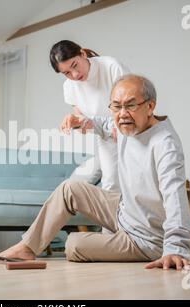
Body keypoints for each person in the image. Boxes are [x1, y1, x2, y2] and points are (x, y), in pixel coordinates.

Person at [0, 74, 190, 270]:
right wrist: (82, 122)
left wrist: (175, 249)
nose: (122, 113)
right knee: (70, 189)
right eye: (116, 106)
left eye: (130, 105)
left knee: (73, 245)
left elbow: (176, 199)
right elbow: (105, 123)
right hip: (124, 211)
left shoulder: (165, 144)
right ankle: (27, 247)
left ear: (150, 106)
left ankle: (153, 247)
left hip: (147, 239)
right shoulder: (127, 123)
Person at [51, 40, 128, 193]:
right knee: (111, 185)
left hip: (131, 130)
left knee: (138, 181)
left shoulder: (112, 67)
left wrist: (121, 125)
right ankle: (113, 217)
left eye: (75, 65)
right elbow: (85, 122)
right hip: (106, 136)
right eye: (66, 73)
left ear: (82, 54)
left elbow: (132, 102)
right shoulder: (69, 87)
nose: (74, 74)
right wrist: (76, 122)